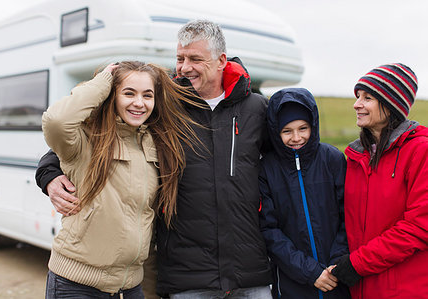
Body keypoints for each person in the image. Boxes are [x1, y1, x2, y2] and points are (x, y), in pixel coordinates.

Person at [36, 20, 273, 298]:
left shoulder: (256, 108)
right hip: (188, 273)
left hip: (247, 269)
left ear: (221, 60)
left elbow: (283, 159)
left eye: (195, 59)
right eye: (180, 58)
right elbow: (76, 142)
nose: (184, 68)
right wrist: (49, 173)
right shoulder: (167, 105)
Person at [42, 61, 203, 298]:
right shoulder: (85, 139)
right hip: (76, 284)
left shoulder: (157, 142)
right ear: (111, 95)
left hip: (129, 287)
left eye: (147, 95)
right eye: (129, 93)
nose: (139, 103)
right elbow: (56, 121)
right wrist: (104, 80)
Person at [331, 63, 428, 298]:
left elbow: (418, 227)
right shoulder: (354, 157)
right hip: (360, 288)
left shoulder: (419, 151)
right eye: (357, 96)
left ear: (391, 104)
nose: (357, 104)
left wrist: (356, 264)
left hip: (404, 289)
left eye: (367, 97)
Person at [259, 88, 351, 299]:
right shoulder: (267, 169)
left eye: (303, 128)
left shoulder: (333, 159)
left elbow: (349, 214)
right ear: (275, 131)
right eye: (287, 131)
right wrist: (311, 272)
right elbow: (269, 230)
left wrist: (335, 265)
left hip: (337, 278)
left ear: (313, 125)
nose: (297, 137)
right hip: (292, 282)